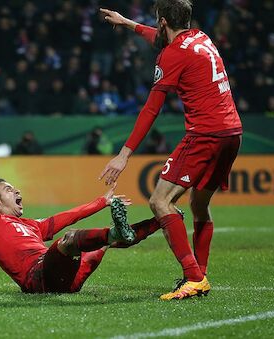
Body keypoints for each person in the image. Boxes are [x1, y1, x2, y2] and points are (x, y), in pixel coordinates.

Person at [99, 1, 242, 300]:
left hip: (205, 134)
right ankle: (199, 275)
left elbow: (152, 109)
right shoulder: (201, 38)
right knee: (199, 205)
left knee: (159, 201)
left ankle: (192, 277)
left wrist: (124, 154)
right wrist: (128, 23)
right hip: (231, 132)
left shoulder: (172, 54)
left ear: (163, 21)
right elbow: (162, 38)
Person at [0, 171, 168, 294]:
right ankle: (117, 233)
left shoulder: (33, 225)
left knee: (102, 242)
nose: (16, 190)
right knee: (73, 239)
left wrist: (103, 202)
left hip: (66, 279)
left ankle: (159, 220)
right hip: (39, 279)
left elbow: (67, 216)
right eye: (8, 189)